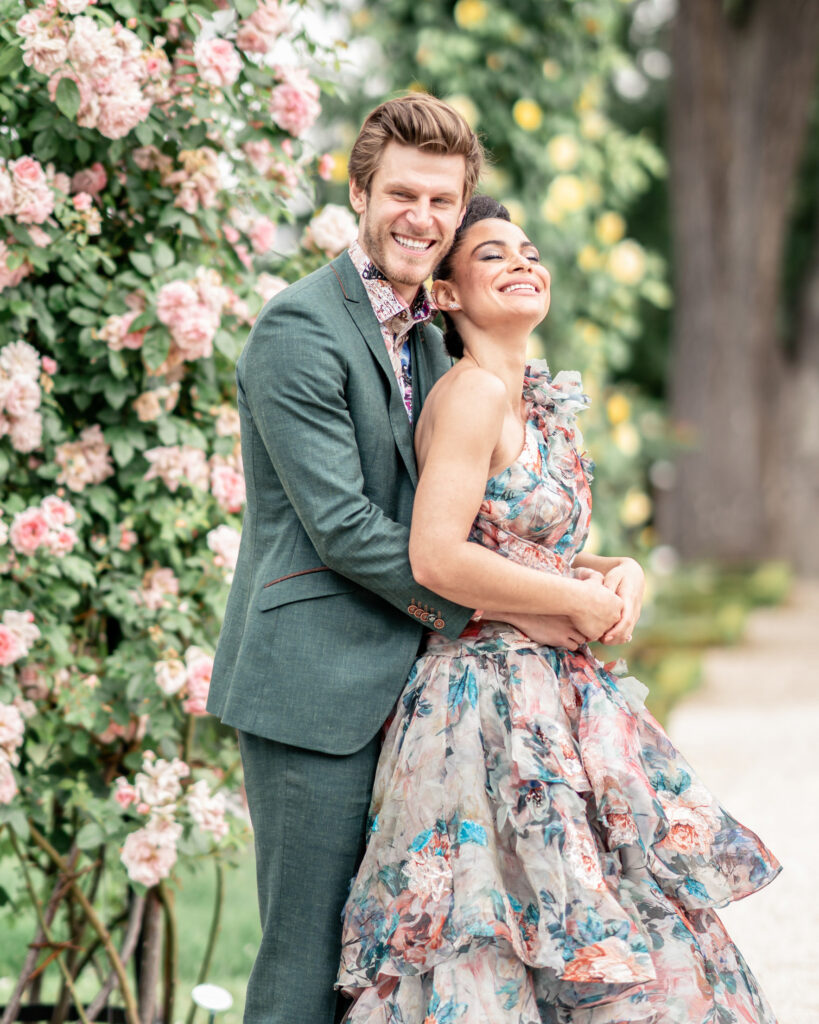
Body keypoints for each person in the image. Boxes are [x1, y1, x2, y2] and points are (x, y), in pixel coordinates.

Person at [207, 97, 617, 1024]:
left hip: (424, 690)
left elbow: (474, 519)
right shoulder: (298, 330)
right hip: (315, 691)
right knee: (306, 959)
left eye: (442, 200)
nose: (420, 218)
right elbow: (345, 527)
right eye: (400, 193)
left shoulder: (437, 339)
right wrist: (506, 610)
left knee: (385, 964)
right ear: (359, 191)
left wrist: (591, 575)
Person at [337, 197, 781, 1023]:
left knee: (595, 920)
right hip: (482, 709)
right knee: (496, 935)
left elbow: (519, 546)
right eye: (491, 255)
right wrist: (573, 596)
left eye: (529, 251)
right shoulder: (470, 394)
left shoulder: (532, 405)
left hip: (552, 702)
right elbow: (436, 554)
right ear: (447, 297)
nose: (520, 262)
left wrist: (617, 572)